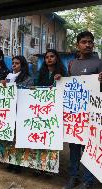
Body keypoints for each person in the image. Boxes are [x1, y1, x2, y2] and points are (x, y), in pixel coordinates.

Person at [63, 31, 102, 189]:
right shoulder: (72, 64)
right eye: (84, 42)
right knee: (73, 147)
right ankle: (73, 177)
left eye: (90, 42)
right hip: (75, 113)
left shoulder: (99, 62)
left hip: (92, 114)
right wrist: (60, 79)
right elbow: (68, 85)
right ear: (77, 45)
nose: (87, 44)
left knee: (89, 147)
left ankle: (88, 181)